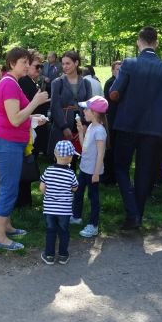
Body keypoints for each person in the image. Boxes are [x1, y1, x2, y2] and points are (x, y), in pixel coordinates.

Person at [109, 26, 162, 230]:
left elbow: (114, 92)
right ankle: (137, 214)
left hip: (128, 125)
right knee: (144, 171)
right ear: (156, 43)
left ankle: (132, 212)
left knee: (121, 167)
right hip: (156, 128)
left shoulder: (130, 64)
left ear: (139, 42)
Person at [0, 47, 49, 250]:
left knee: (10, 186)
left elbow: (15, 115)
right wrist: (35, 103)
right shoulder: (9, 84)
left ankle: (6, 226)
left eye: (28, 62)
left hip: (10, 141)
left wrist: (32, 118)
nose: (27, 66)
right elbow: (15, 119)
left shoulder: (12, 82)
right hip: (7, 142)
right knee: (8, 188)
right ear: (12, 63)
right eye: (23, 62)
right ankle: (0, 237)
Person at [70, 96, 108, 238]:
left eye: (86, 109)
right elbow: (84, 148)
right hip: (84, 168)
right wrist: (81, 132)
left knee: (93, 198)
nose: (84, 111)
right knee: (78, 192)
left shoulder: (100, 131)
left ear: (95, 112)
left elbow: (101, 154)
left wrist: (96, 173)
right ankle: (76, 216)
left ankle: (93, 225)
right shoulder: (91, 127)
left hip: (93, 172)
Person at [39, 140, 79, 265]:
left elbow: (42, 187)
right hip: (64, 210)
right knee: (63, 231)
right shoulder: (70, 173)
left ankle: (49, 255)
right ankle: (63, 255)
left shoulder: (48, 170)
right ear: (71, 157)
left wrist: (47, 194)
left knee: (50, 231)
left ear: (55, 154)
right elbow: (75, 188)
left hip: (50, 209)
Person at [47, 51, 92, 159]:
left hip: (80, 125)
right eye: (63, 64)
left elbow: (89, 105)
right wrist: (64, 127)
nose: (65, 66)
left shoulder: (86, 83)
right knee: (61, 159)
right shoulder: (57, 82)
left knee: (76, 157)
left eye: (68, 63)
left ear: (76, 63)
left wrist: (85, 124)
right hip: (62, 124)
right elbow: (55, 106)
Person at [18, 51, 50, 158]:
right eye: (37, 66)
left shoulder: (30, 81)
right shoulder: (24, 81)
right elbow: (26, 105)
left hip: (34, 125)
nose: (39, 69)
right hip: (30, 126)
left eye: (41, 66)